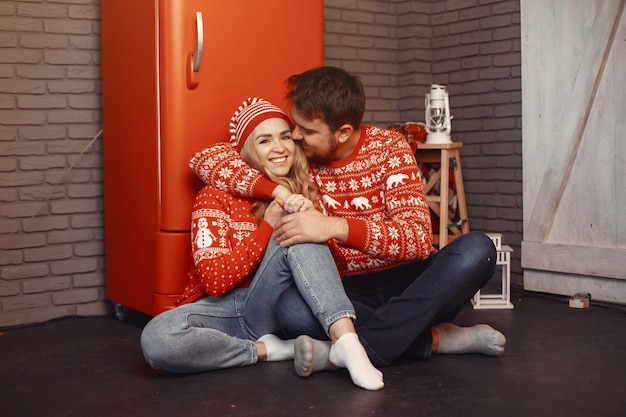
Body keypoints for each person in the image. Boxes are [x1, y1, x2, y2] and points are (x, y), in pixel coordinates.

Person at [189, 67, 506, 377]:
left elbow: (418, 239)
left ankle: (339, 352)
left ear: (342, 132)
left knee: (478, 249)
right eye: (295, 127)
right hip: (346, 292)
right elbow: (210, 159)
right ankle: (437, 339)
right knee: (289, 309)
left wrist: (335, 226)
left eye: (306, 130)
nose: (295, 137)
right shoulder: (302, 157)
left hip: (411, 281)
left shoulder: (389, 148)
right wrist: (277, 191)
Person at [140, 97, 384, 390]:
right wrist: (268, 224)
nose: (279, 148)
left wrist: (312, 219)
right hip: (224, 309)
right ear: (247, 151)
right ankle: (269, 350)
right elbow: (215, 282)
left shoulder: (306, 190)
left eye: (285, 137)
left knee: (300, 226)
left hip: (276, 303)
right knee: (157, 339)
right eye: (264, 141)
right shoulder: (215, 196)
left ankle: (346, 341)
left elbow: (336, 272)